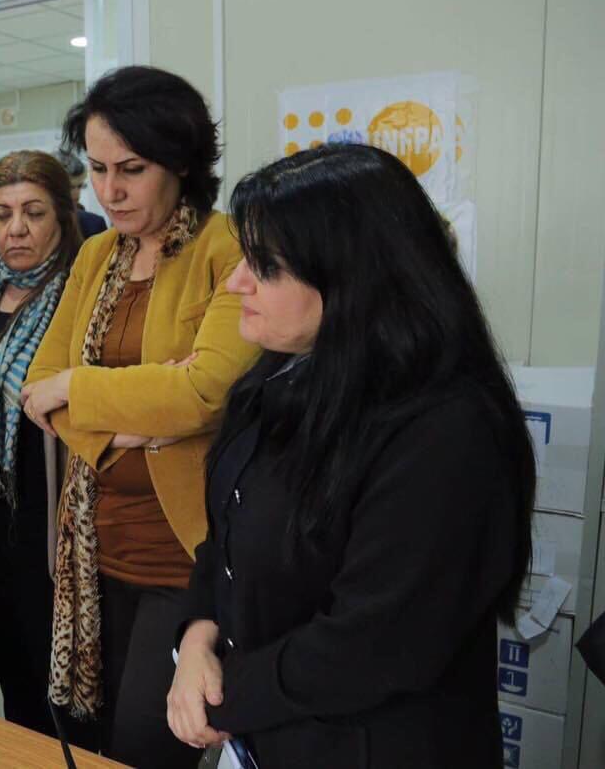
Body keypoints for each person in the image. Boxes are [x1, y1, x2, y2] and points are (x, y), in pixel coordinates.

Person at [166, 144, 535, 768]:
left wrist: (222, 694)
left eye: (265, 266)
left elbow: (372, 642)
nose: (236, 283)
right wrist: (196, 635)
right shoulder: (277, 376)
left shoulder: (445, 430)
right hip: (269, 735)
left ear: (353, 277)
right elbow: (226, 539)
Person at [21, 66, 260, 769]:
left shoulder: (228, 247)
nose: (109, 190)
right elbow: (38, 390)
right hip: (91, 553)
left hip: (183, 558)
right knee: (89, 744)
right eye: (96, 169)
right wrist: (137, 414)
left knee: (145, 750)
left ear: (181, 164)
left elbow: (205, 392)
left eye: (132, 169)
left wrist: (82, 390)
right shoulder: (97, 254)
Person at [0, 151, 83, 740]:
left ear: (62, 219)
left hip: (49, 525)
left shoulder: (76, 297)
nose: (16, 229)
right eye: (3, 214)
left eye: (33, 213)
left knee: (57, 691)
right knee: (13, 688)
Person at [55, 148, 108, 238]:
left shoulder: (94, 225)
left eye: (80, 186)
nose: (76, 193)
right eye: (70, 187)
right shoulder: (35, 224)